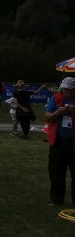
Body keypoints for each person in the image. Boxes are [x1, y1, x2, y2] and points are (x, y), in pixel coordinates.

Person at [45, 77, 75, 206]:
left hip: (73, 143)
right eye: (64, 88)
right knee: (56, 171)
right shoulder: (56, 98)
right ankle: (56, 199)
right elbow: (47, 117)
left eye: (69, 89)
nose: (66, 91)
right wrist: (57, 112)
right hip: (58, 142)